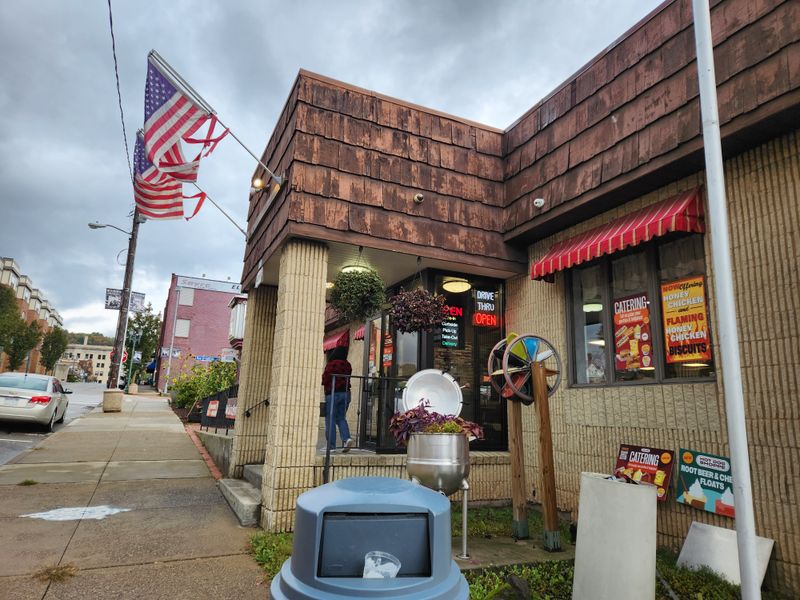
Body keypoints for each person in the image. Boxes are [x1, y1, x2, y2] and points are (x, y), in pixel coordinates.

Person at [321, 346, 354, 452]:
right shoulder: (348, 365)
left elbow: (325, 379)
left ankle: (331, 446)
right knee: (341, 417)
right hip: (345, 393)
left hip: (333, 393)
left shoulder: (331, 364)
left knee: (330, 419)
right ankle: (346, 439)